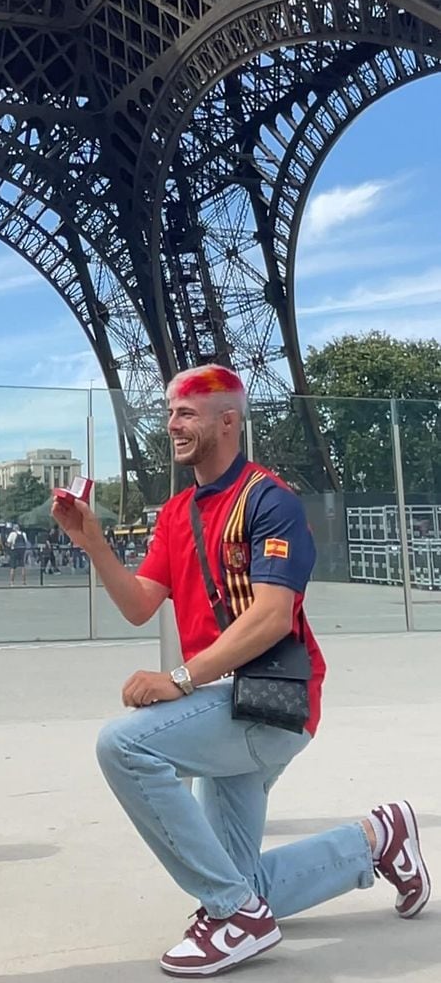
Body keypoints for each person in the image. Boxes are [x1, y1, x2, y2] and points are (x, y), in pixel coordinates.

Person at [52, 363, 431, 979]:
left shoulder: (269, 501)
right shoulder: (176, 513)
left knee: (122, 746)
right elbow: (138, 606)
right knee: (242, 879)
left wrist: (177, 680)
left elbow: (273, 617)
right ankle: (377, 838)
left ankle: (236, 918)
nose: (172, 424)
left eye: (186, 413)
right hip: (226, 700)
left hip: (270, 701)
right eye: (170, 412)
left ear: (228, 421)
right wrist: (93, 541)